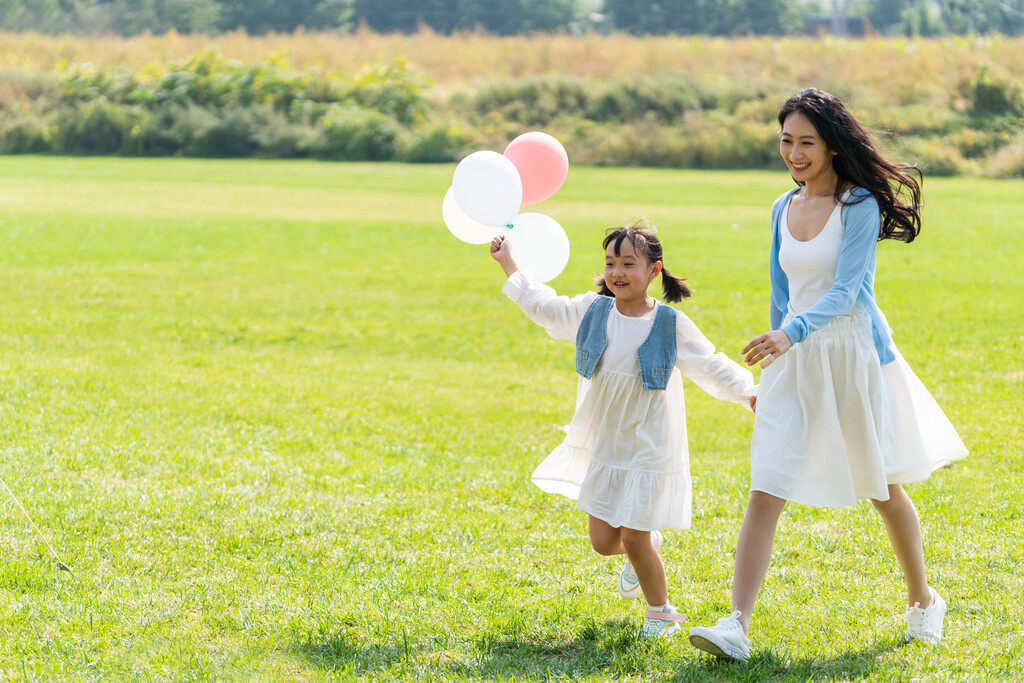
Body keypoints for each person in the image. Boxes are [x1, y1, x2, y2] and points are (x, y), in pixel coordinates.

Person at [688, 88, 968, 661]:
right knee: (766, 483)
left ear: (833, 145)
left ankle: (923, 598)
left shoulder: (858, 204)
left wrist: (790, 333)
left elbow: (845, 292)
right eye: (786, 141)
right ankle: (735, 624)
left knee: (881, 485)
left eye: (806, 143)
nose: (794, 153)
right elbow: (780, 293)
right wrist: (773, 363)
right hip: (793, 358)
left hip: (850, 354)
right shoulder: (779, 208)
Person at [490, 225, 756, 638]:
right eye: (610, 263)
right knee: (602, 540)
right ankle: (642, 553)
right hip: (606, 441)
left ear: (654, 270)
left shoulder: (670, 323)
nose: (617, 272)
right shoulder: (592, 311)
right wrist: (509, 262)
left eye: (629, 263)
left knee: (633, 533)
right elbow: (545, 306)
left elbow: (710, 364)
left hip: (651, 442)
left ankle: (660, 613)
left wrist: (748, 393)